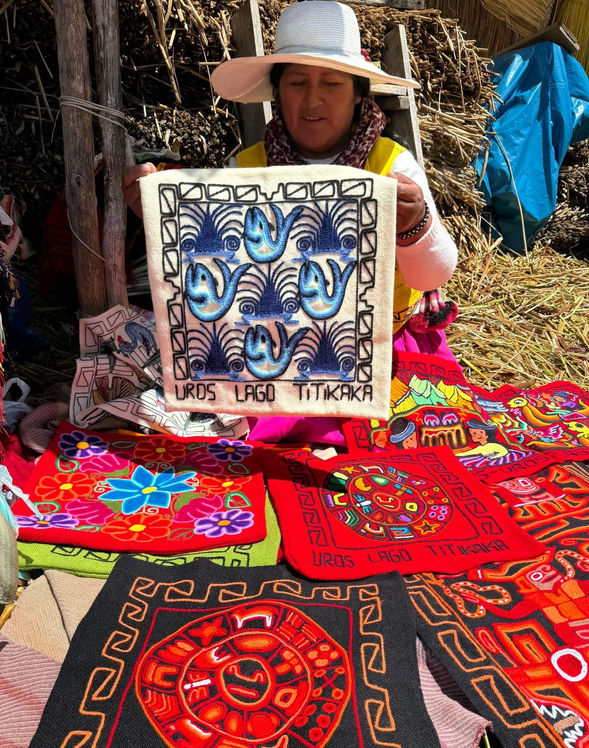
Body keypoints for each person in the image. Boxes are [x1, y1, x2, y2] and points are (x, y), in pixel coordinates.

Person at [123, 1, 459, 443]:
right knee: (235, 435)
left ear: (360, 93)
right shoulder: (245, 171)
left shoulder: (391, 169)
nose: (313, 99)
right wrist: (154, 212)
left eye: (332, 84)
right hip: (267, 355)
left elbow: (433, 273)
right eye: (297, 83)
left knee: (399, 437)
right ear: (277, 91)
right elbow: (210, 275)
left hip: (378, 353)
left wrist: (413, 224)